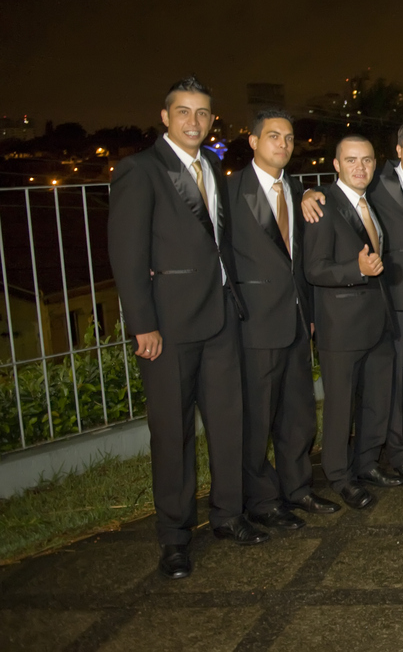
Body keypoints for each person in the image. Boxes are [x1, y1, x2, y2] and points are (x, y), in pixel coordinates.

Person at [109, 76, 264, 580]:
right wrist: (143, 324)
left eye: (202, 113)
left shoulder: (214, 166)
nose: (194, 121)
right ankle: (175, 538)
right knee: (172, 435)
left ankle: (228, 515)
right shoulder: (140, 170)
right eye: (184, 112)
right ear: (165, 116)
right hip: (169, 326)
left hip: (220, 316)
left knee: (227, 423)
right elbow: (127, 255)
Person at [303, 118, 403, 477]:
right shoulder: (375, 184)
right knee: (394, 383)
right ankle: (400, 452)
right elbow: (336, 198)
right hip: (396, 297)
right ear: (399, 150)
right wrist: (307, 194)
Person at [230, 109, 337, 529]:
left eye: (290, 138)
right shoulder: (231, 190)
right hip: (254, 322)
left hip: (296, 320)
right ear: (253, 141)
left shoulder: (295, 189)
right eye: (273, 136)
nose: (283, 144)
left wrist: (308, 192)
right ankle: (262, 499)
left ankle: (298, 488)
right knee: (256, 417)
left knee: (298, 413)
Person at [304, 135, 402, 510]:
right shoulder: (322, 206)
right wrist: (355, 270)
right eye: (351, 161)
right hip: (341, 327)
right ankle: (340, 477)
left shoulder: (369, 203)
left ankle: (367, 464)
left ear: (375, 163)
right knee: (341, 407)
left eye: (366, 160)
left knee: (376, 401)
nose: (360, 167)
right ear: (336, 164)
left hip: (377, 321)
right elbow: (314, 268)